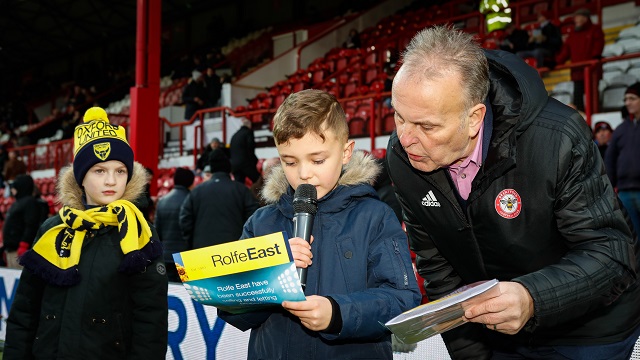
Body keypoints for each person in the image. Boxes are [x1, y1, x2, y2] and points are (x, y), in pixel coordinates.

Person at [387, 26, 640, 359]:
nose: (405, 138)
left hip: (587, 333)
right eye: (399, 116)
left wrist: (533, 298)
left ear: (474, 118)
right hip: (495, 338)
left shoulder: (557, 138)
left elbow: (611, 254)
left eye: (427, 126)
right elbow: (438, 271)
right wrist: (472, 355)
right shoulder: (403, 155)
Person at [218, 89, 421, 359]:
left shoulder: (375, 217)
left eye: (318, 160)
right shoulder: (261, 223)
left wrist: (337, 313)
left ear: (346, 152)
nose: (304, 173)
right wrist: (272, 276)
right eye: (290, 162)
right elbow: (232, 310)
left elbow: (402, 301)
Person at [5, 107, 168, 359]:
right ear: (81, 177)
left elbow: (151, 323)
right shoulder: (52, 229)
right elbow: (25, 312)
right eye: (99, 171)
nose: (111, 181)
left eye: (120, 171)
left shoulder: (139, 233)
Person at [179, 148, 259, 249]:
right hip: (235, 252)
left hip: (202, 250)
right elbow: (254, 218)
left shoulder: (196, 192)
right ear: (228, 168)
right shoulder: (241, 190)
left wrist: (192, 241)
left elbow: (185, 219)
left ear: (212, 169)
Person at [605, 82, 640, 238]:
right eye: (626, 99)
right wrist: (610, 186)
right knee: (633, 237)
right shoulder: (620, 129)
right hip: (624, 192)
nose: (627, 103)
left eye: (632, 98)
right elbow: (610, 160)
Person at [556, 8, 605, 112]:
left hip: (591, 71)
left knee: (592, 95)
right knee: (578, 97)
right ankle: (580, 117)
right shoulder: (573, 34)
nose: (575, 20)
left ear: (585, 18)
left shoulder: (595, 29)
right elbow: (565, 51)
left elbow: (598, 44)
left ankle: (594, 114)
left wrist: (596, 56)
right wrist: (556, 62)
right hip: (577, 72)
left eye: (578, 17)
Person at [154, 167, 195, 282]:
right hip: (185, 257)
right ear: (191, 182)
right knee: (186, 294)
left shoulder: (163, 201)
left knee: (171, 292)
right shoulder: (192, 200)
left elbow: (157, 231)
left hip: (166, 255)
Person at [1, 174, 42, 269]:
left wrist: (24, 243)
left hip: (20, 250)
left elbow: (31, 225)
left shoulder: (30, 202)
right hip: (11, 249)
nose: (12, 189)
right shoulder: (18, 202)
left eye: (15, 187)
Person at [229, 118, 260, 185]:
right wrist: (254, 161)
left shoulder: (234, 135)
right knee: (259, 182)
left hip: (234, 166)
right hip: (246, 164)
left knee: (239, 186)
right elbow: (250, 148)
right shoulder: (248, 132)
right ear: (249, 125)